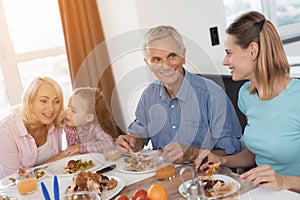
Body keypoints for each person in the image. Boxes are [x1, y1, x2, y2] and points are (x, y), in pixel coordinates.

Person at [195, 11, 300, 192]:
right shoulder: (246, 96)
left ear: (253, 51)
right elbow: (258, 151)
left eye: (229, 53)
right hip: (260, 193)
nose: (225, 61)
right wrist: (223, 160)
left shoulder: (296, 97)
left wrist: (284, 181)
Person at [115, 25, 243, 163]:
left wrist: (193, 153)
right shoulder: (148, 95)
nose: (166, 65)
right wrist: (132, 142)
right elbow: (140, 138)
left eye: (172, 56)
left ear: (183, 56)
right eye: (157, 60)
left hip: (206, 178)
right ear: (148, 64)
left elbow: (231, 152)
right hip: (164, 176)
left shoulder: (212, 94)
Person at [0, 76, 66, 178]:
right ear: (30, 101)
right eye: (44, 101)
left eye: (56, 101)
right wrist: (55, 159)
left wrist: (77, 147)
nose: (51, 108)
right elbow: (15, 179)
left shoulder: (57, 120)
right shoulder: (6, 130)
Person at [63, 87, 119, 155]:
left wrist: (80, 148)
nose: (66, 112)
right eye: (68, 106)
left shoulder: (94, 127)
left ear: (89, 117)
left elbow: (109, 144)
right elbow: (71, 148)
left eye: (73, 110)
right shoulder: (69, 125)